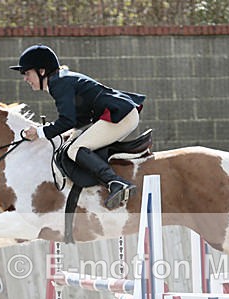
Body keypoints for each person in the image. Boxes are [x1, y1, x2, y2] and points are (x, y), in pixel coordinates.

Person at [10, 44, 144, 209]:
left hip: (119, 115)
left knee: (74, 149)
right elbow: (78, 118)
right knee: (74, 143)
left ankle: (117, 183)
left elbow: (67, 120)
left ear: (42, 71)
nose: (25, 78)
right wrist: (69, 132)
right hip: (120, 113)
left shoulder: (58, 84)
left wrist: (39, 132)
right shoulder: (61, 79)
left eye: (27, 73)